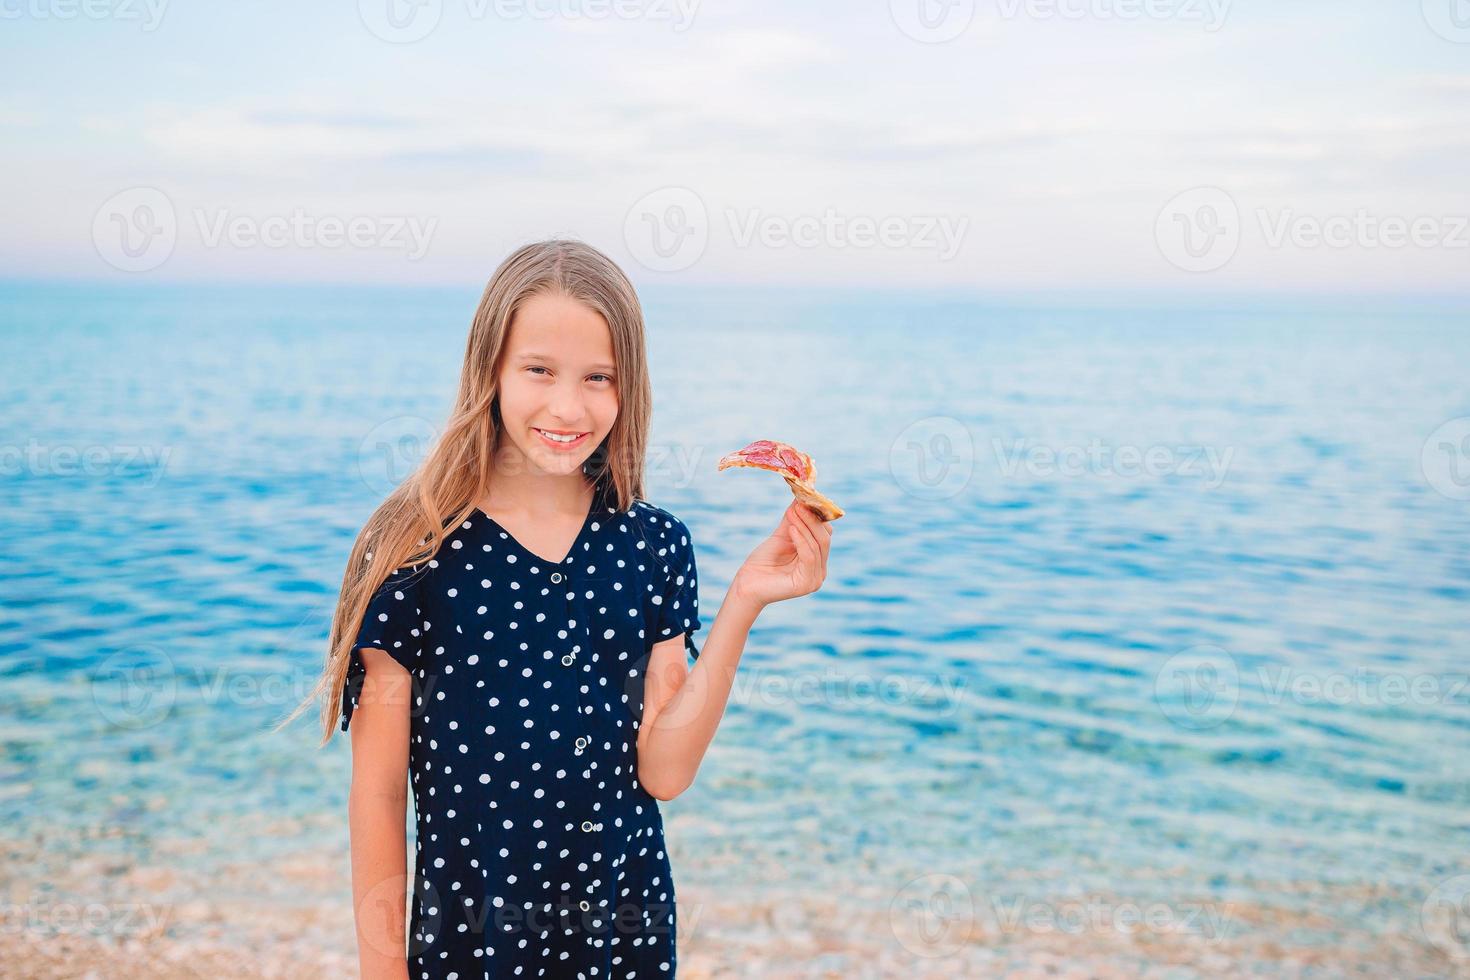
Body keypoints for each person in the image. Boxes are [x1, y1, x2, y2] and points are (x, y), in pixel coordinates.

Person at [311, 239, 832, 979]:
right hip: (474, 947)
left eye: (599, 378)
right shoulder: (411, 550)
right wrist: (382, 972)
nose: (568, 405)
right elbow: (379, 793)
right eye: (538, 371)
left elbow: (664, 771)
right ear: (488, 370)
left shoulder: (654, 544)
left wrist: (744, 601)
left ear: (629, 388)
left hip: (624, 937)